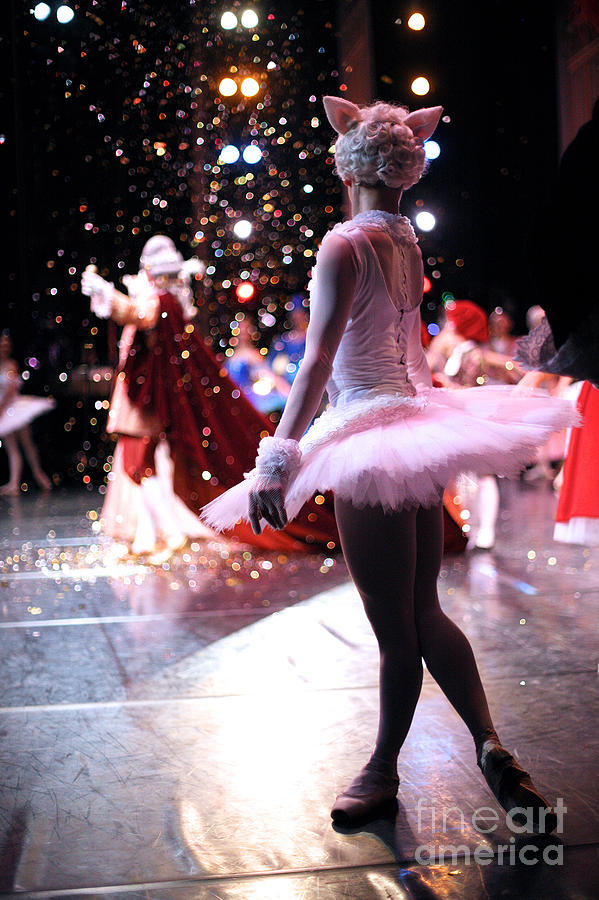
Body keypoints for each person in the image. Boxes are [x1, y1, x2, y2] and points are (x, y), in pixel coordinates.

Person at [202, 97, 576, 832]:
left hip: (371, 441)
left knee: (395, 630)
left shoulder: (344, 244)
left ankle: (380, 771)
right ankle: (490, 746)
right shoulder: (404, 240)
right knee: (422, 610)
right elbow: (403, 351)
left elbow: (314, 366)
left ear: (346, 162)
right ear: (406, 170)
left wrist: (276, 462)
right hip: (414, 429)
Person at [81, 236, 337, 558]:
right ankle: (154, 533)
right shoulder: (165, 302)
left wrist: (107, 294)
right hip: (145, 401)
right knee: (147, 468)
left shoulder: (162, 302)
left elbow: (137, 313)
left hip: (146, 403)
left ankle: (163, 533)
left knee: (141, 467)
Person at [0, 331, 54, 496]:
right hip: (4, 409)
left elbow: (12, 388)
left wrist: (2, 406)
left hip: (13, 407)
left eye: (7, 344)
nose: (5, 346)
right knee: (12, 447)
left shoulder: (11, 364)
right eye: (2, 344)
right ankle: (14, 483)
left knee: (26, 442)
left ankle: (39, 475)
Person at [225, 316, 289, 416]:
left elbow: (270, 374)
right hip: (231, 399)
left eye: (245, 329)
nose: (243, 333)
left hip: (248, 399)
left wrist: (287, 390)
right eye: (240, 329)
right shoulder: (230, 357)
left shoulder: (252, 354)